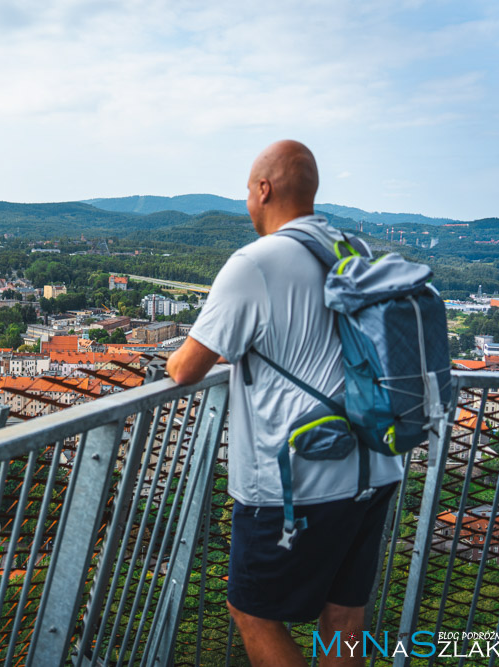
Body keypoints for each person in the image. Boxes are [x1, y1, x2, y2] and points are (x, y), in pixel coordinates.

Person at [166, 140, 402, 667]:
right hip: (376, 466)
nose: (247, 202)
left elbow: (185, 369)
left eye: (248, 192)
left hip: (297, 480)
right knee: (343, 621)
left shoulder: (255, 264)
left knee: (251, 611)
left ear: (264, 189)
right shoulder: (358, 253)